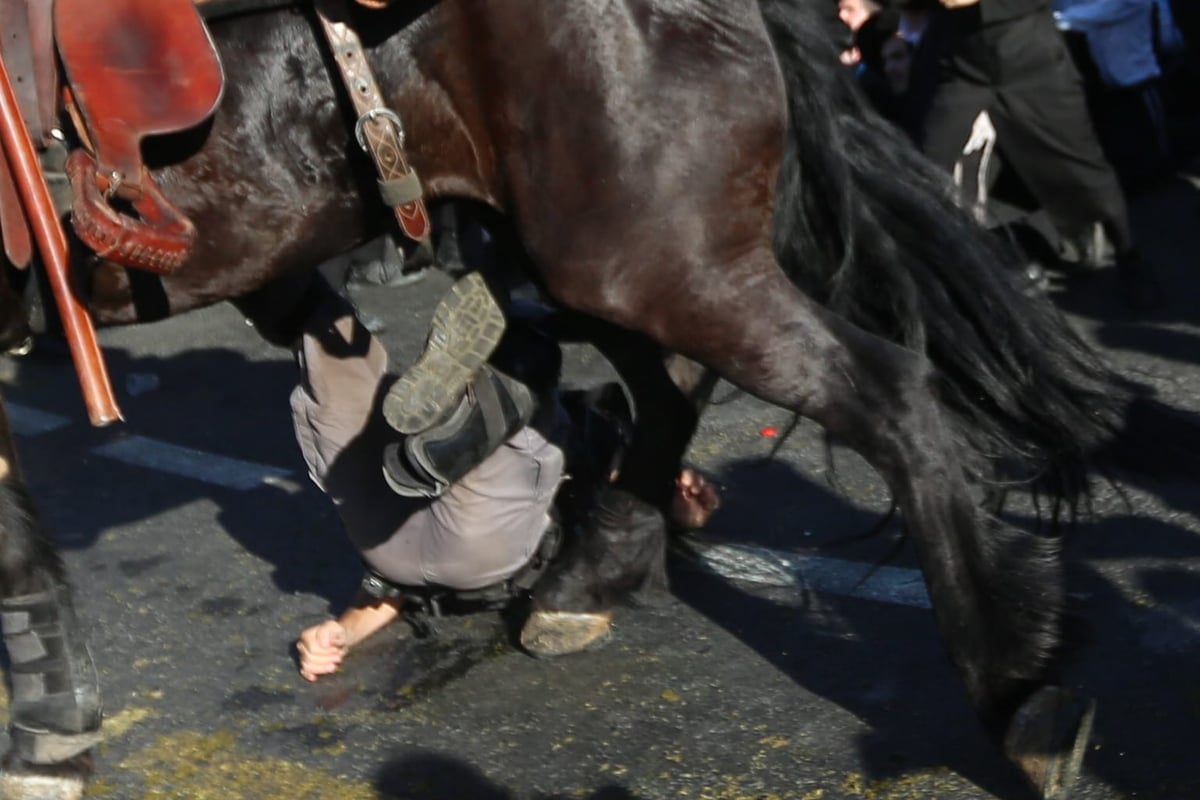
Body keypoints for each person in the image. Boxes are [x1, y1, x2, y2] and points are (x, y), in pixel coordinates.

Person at [291, 275, 720, 683]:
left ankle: (296, 297)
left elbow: (627, 516)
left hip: (451, 544)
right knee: (342, 394)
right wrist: (341, 633)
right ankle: (301, 304)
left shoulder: (602, 452)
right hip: (401, 549)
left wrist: (677, 511)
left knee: (525, 373)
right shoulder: (616, 458)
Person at [919, 0, 1162, 308]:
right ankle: (947, 274)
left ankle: (1129, 256)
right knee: (930, 163)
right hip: (961, 64)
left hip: (1031, 57)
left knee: (1082, 164)